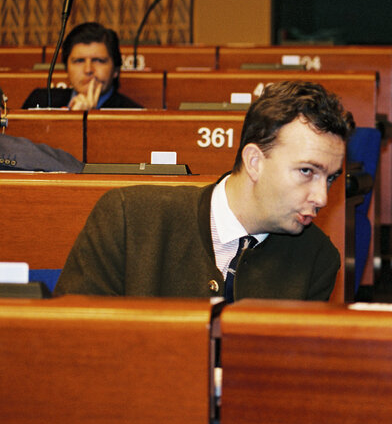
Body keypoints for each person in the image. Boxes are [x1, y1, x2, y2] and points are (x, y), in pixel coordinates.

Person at [54, 80, 354, 302]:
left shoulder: (317, 258)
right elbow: (71, 342)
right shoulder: (127, 219)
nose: (322, 198)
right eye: (307, 172)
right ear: (254, 161)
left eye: (329, 178)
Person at [22, 22, 142, 110]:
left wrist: (88, 118)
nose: (88, 70)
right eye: (79, 61)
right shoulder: (39, 101)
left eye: (98, 61)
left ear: (116, 69)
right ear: (66, 68)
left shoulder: (134, 114)